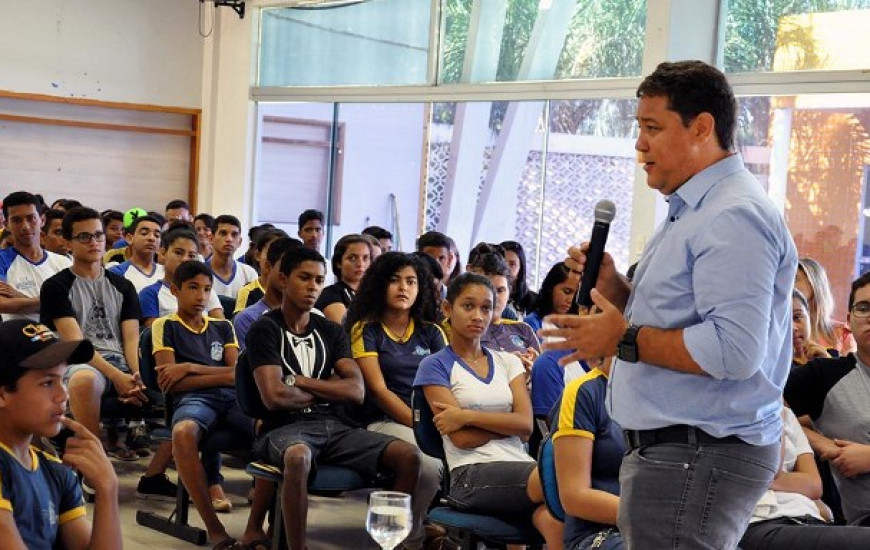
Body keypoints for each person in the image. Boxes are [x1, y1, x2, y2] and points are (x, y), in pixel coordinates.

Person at [541, 60, 798, 549]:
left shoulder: (732, 215)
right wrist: (615, 287)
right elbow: (681, 315)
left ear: (702, 127)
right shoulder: (697, 209)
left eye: (652, 128)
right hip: (686, 450)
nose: (639, 144)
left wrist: (625, 340)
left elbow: (734, 351)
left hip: (699, 452)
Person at [244, 246, 422, 550]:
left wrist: (298, 381)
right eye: (305, 278)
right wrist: (327, 387)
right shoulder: (265, 329)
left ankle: (384, 545)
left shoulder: (330, 330)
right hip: (281, 429)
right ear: (284, 280)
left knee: (409, 456)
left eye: (319, 280)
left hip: (334, 427)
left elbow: (356, 390)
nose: (313, 286)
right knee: (298, 456)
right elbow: (274, 397)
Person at [414, 273, 563, 549]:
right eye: (468, 306)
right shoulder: (434, 365)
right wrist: (506, 424)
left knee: (555, 522)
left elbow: (525, 426)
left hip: (520, 466)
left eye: (486, 308)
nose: (478, 316)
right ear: (448, 309)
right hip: (469, 473)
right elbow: (461, 439)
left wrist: (466, 416)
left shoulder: (508, 361)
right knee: (559, 480)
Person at [346, 252, 448, 548]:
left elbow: (443, 386)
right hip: (381, 421)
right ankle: (412, 540)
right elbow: (379, 391)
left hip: (428, 421)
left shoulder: (431, 332)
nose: (403, 288)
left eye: (411, 281)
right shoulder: (366, 329)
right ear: (380, 285)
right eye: (394, 280)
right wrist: (421, 428)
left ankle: (414, 530)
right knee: (428, 463)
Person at [152, 260, 253, 548]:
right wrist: (203, 375)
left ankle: (262, 525)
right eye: (193, 288)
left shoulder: (223, 326)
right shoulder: (165, 325)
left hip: (232, 399)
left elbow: (238, 376)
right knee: (183, 433)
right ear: (175, 290)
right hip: (193, 399)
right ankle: (214, 527)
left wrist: (190, 368)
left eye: (207, 289)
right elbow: (171, 383)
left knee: (269, 426)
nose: (200, 296)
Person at [0, 319, 122, 550]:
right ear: (3, 394)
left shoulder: (56, 471)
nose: (63, 395)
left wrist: (107, 487)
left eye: (62, 379)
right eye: (47, 383)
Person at [40, 207, 149, 464]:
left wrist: (135, 375)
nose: (95, 242)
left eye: (99, 235)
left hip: (120, 362)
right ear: (68, 243)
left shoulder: (123, 285)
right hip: (81, 362)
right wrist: (117, 377)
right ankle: (94, 459)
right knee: (84, 381)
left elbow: (131, 338)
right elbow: (77, 344)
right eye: (85, 237)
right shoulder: (55, 286)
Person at [784, 271, 870, 526]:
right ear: (849, 320)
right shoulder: (825, 374)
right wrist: (823, 444)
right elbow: (767, 408)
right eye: (864, 308)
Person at [737, 406, 870, 549]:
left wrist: (766, 479)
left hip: (810, 519)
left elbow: (813, 485)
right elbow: (761, 473)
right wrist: (777, 479)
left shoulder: (787, 416)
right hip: (760, 521)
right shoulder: (723, 418)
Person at [552, 356, 625, 550]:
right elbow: (574, 497)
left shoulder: (660, 397)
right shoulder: (585, 392)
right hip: (599, 531)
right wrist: (647, 516)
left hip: (658, 524)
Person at [0, 192, 71, 322]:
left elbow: (76, 303)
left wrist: (20, 297)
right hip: (22, 338)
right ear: (6, 225)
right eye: (16, 220)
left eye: (31, 218)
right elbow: (2, 304)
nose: (25, 227)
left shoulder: (64, 262)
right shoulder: (2, 260)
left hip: (64, 336)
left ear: (42, 220)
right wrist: (56, 302)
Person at [139, 227, 225, 327]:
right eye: (179, 253)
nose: (185, 259)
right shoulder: (150, 294)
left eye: (191, 256)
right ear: (163, 253)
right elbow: (153, 334)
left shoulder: (204, 289)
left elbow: (221, 325)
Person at [234, 237, 304, 349]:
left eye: (300, 274)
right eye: (286, 268)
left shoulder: (315, 316)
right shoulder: (248, 319)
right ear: (267, 266)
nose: (290, 276)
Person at [795, 257, 856, 356]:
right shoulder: (779, 331)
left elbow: (853, 370)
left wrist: (826, 359)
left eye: (795, 279)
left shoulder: (843, 334)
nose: (787, 285)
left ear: (814, 283)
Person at [314, 234, 372, 323]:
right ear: (338, 263)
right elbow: (346, 330)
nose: (360, 264)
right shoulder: (330, 294)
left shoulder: (373, 293)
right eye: (352, 258)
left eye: (365, 258)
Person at [235, 227, 289, 314]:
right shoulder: (247, 292)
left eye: (281, 254)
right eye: (271, 252)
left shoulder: (291, 291)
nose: (275, 259)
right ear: (257, 255)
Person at [106, 214, 164, 292]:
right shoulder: (116, 273)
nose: (151, 238)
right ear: (130, 238)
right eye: (144, 233)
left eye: (156, 235)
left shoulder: (167, 273)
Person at [207, 215, 258, 299]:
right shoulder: (198, 272)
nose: (229, 239)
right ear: (211, 239)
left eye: (234, 235)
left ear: (240, 242)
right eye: (223, 233)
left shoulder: (249, 273)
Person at [523, 262, 579, 333]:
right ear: (550, 288)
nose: (570, 300)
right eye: (567, 292)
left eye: (576, 295)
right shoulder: (532, 324)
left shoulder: (577, 326)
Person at [792, 289, 830, 367]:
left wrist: (828, 364)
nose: (793, 328)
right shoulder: (771, 370)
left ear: (809, 316)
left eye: (797, 317)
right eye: (783, 321)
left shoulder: (830, 356)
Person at [501, 240, 537, 317]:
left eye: (512, 264)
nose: (506, 268)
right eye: (502, 262)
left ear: (520, 270)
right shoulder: (487, 296)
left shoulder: (534, 301)